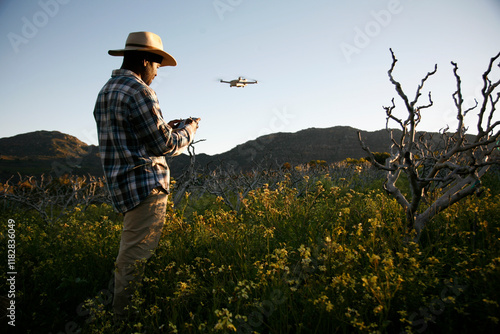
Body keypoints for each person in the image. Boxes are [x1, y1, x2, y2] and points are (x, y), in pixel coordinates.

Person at [93, 31, 200, 319]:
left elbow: (132, 135)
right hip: (145, 187)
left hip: (123, 187)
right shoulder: (140, 91)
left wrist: (166, 125)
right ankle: (123, 318)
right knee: (133, 258)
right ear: (144, 60)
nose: (156, 73)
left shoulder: (107, 90)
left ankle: (121, 312)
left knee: (131, 252)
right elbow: (164, 144)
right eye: (156, 66)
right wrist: (188, 130)